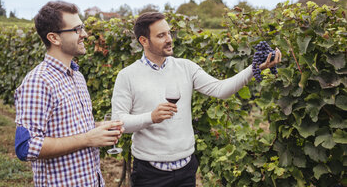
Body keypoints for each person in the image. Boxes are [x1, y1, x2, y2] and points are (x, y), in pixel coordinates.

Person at [111, 12, 281, 186]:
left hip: (186, 170)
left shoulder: (186, 67)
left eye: (169, 33)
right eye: (161, 35)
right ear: (143, 41)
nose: (169, 39)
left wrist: (255, 68)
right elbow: (118, 121)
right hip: (150, 174)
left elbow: (220, 89)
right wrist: (151, 117)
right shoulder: (127, 76)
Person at [14, 0, 124, 187]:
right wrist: (88, 139)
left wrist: (97, 128)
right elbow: (26, 146)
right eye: (76, 29)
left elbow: (68, 128)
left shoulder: (77, 76)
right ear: (54, 38)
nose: (85, 34)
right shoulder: (38, 82)